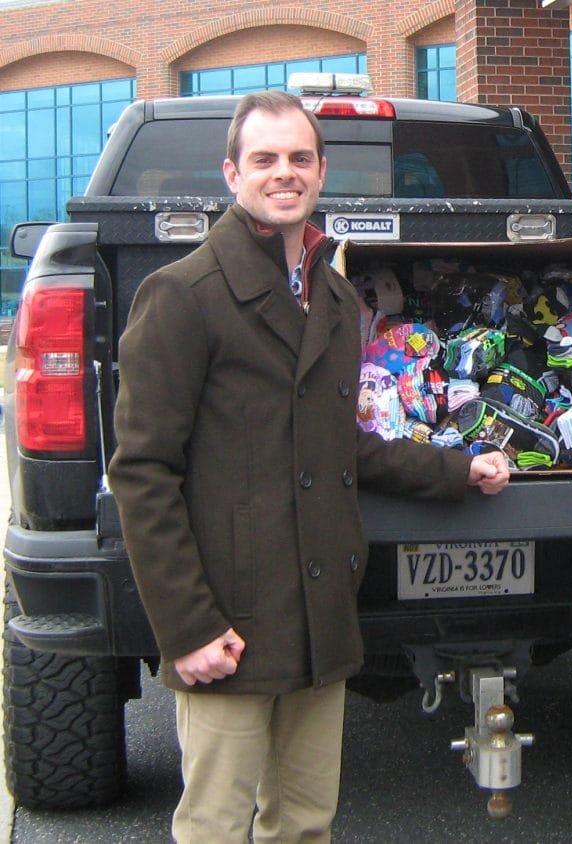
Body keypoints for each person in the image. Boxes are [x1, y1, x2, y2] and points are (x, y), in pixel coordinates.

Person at [108, 90, 510, 842]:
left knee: (303, 825)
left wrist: (458, 472)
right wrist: (188, 626)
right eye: (265, 159)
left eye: (299, 158)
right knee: (216, 828)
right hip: (229, 622)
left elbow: (338, 444)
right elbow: (143, 470)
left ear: (322, 172)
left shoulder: (329, 294)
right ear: (232, 174)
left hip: (321, 617)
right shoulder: (182, 297)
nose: (283, 173)